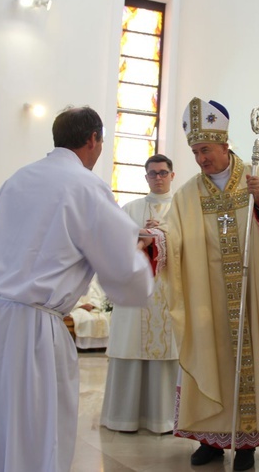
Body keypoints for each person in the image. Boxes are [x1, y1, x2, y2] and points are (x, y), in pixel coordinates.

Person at [0, 106, 154, 472]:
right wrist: (138, 253)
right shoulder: (83, 183)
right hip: (28, 324)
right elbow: (122, 268)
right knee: (35, 433)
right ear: (92, 140)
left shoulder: (20, 177)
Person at [145, 97, 259, 471]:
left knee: (249, 361)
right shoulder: (188, 192)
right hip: (208, 296)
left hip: (254, 294)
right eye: (195, 151)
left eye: (205, 150)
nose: (201, 158)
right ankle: (211, 440)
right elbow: (173, 231)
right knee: (209, 359)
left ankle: (247, 444)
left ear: (224, 145)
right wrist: (158, 237)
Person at [100, 153, 178, 434]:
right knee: (130, 349)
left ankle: (164, 419)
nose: (158, 177)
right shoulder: (130, 209)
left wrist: (164, 236)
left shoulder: (183, 210)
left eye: (162, 172)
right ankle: (124, 417)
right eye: (152, 173)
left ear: (172, 175)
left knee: (168, 354)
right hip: (136, 296)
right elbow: (111, 246)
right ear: (146, 178)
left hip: (170, 294)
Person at [69, 276, 111, 349]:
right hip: (77, 309)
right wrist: (81, 305)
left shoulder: (92, 285)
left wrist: (92, 304)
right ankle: (83, 346)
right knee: (86, 319)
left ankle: (98, 346)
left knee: (103, 319)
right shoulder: (71, 284)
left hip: (91, 309)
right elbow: (69, 299)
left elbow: (96, 298)